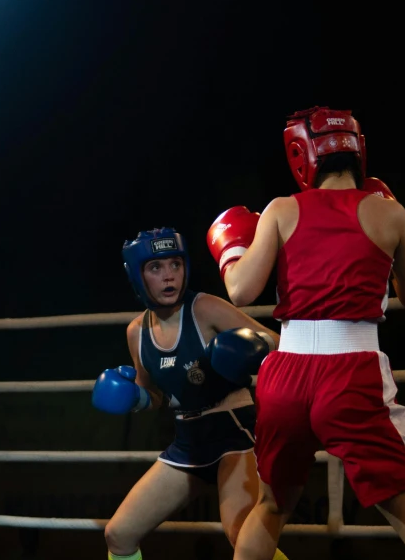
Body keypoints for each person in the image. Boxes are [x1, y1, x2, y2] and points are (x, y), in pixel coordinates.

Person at [207, 105, 405, 560]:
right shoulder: (387, 213)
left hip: (284, 380)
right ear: (358, 153)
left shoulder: (280, 210)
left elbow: (240, 291)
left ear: (303, 154)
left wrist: (231, 250)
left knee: (272, 507)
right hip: (351, 377)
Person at [92, 228, 290, 560]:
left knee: (244, 536)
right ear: (137, 276)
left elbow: (277, 342)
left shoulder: (205, 309)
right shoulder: (136, 333)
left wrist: (254, 347)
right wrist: (134, 398)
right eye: (156, 268)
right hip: (188, 441)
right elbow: (154, 394)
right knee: (119, 534)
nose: (169, 276)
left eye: (175, 264)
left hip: (234, 432)